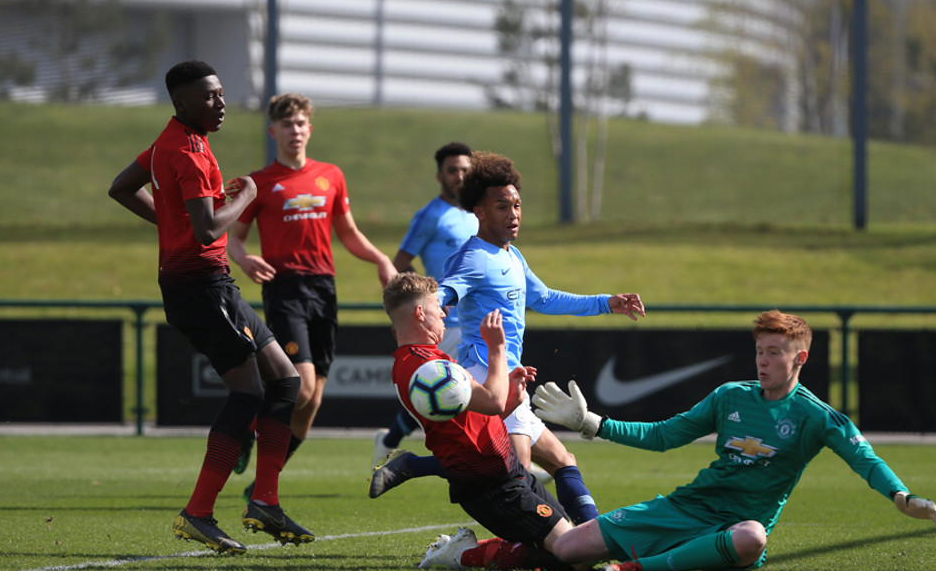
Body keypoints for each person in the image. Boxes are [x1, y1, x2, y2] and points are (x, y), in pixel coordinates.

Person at [529, 309, 936, 571]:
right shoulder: (730, 395)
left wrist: (901, 495)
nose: (763, 361)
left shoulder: (815, 417)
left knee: (753, 538)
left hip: (733, 531)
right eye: (759, 351)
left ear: (799, 358)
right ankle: (480, 553)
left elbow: (864, 458)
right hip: (686, 508)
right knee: (568, 549)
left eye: (774, 353)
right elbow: (663, 436)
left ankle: (637, 568)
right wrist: (591, 423)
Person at [370, 151, 645, 528]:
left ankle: (589, 537)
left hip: (509, 373)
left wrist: (605, 303)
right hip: (488, 374)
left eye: (517, 205)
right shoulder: (472, 257)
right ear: (479, 212)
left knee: (563, 461)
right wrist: (428, 305)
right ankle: (533, 546)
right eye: (503, 206)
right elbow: (445, 292)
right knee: (515, 475)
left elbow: (544, 298)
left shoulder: (512, 255)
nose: (513, 213)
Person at [107, 60, 314, 553]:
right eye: (208, 97)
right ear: (181, 103)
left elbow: (120, 187)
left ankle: (265, 500)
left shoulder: (169, 143)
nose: (219, 103)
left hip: (213, 284)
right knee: (247, 394)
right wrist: (247, 197)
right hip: (199, 288)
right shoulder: (185, 151)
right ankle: (197, 512)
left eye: (220, 94)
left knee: (285, 380)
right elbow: (206, 229)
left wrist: (171, 223)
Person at [228, 93, 396, 496]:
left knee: (311, 404)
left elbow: (349, 233)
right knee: (300, 388)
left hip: (324, 289)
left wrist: (380, 259)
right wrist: (246, 260)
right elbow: (233, 239)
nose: (295, 131)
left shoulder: (331, 176)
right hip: (284, 290)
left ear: (310, 129)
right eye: (287, 125)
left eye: (301, 124)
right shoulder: (259, 183)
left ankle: (262, 484)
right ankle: (244, 433)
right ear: (273, 132)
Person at [380, 272, 583, 571]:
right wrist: (496, 348)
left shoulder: (422, 360)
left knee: (580, 546)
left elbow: (482, 414)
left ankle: (472, 551)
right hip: (491, 487)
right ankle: (463, 555)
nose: (445, 312)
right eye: (438, 306)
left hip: (507, 473)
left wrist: (510, 398)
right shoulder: (425, 369)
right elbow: (491, 401)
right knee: (578, 557)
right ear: (420, 313)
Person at [370, 142, 475, 470]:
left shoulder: (479, 214)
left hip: (475, 318)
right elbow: (401, 263)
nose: (459, 176)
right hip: (445, 320)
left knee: (461, 387)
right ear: (439, 175)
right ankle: (506, 454)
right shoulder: (430, 216)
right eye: (452, 170)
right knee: (449, 388)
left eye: (465, 170)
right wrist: (431, 298)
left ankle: (389, 441)